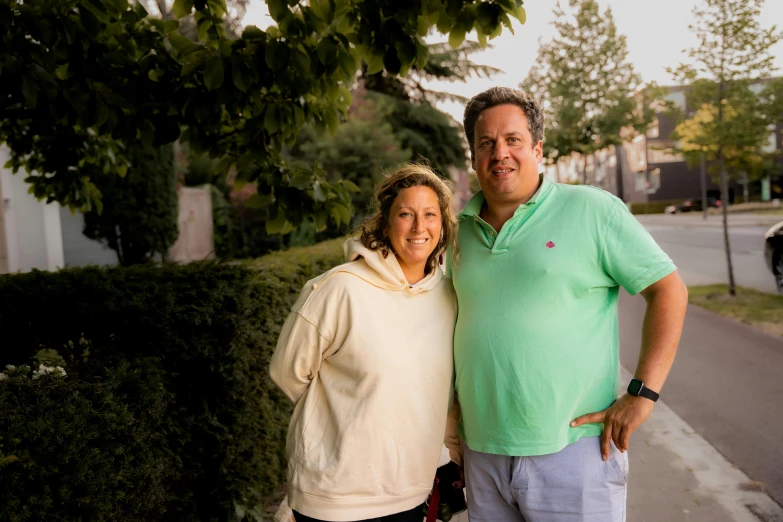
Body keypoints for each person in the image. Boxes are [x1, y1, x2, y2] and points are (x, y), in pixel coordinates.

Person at [448, 87, 689, 521]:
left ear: (537, 148)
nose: (499, 152)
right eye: (485, 143)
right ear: (473, 156)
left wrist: (643, 393)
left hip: (574, 453)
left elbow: (668, 290)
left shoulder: (591, 210)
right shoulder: (455, 232)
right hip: (482, 452)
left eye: (513, 140)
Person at [270, 163, 459, 522]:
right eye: (406, 214)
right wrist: (341, 416)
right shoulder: (340, 289)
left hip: (410, 490)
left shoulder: (449, 296)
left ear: (443, 225)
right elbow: (286, 372)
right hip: (336, 496)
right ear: (385, 223)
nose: (420, 227)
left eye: (430, 214)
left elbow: (436, 392)